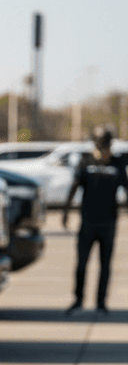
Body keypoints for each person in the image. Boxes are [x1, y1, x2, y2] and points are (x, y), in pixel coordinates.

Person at [63, 125, 127, 314]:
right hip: (88, 221)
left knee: (105, 265)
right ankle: (78, 300)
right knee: (82, 263)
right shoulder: (85, 161)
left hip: (109, 222)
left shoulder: (117, 163)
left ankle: (101, 302)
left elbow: (126, 187)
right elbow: (75, 186)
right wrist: (66, 211)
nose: (104, 147)